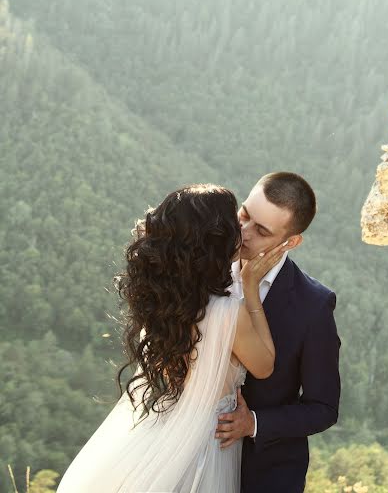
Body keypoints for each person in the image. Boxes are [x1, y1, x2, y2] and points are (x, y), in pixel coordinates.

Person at [56, 183, 285, 493]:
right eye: (234, 223)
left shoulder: (169, 300)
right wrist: (251, 292)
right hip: (208, 438)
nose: (242, 231)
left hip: (171, 422)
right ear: (215, 239)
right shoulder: (229, 311)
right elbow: (265, 366)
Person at [215, 172, 341, 493]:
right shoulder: (203, 263)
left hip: (266, 473)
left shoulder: (314, 305)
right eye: (244, 215)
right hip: (192, 452)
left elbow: (323, 408)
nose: (243, 232)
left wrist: (253, 422)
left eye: (261, 230)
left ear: (291, 242)